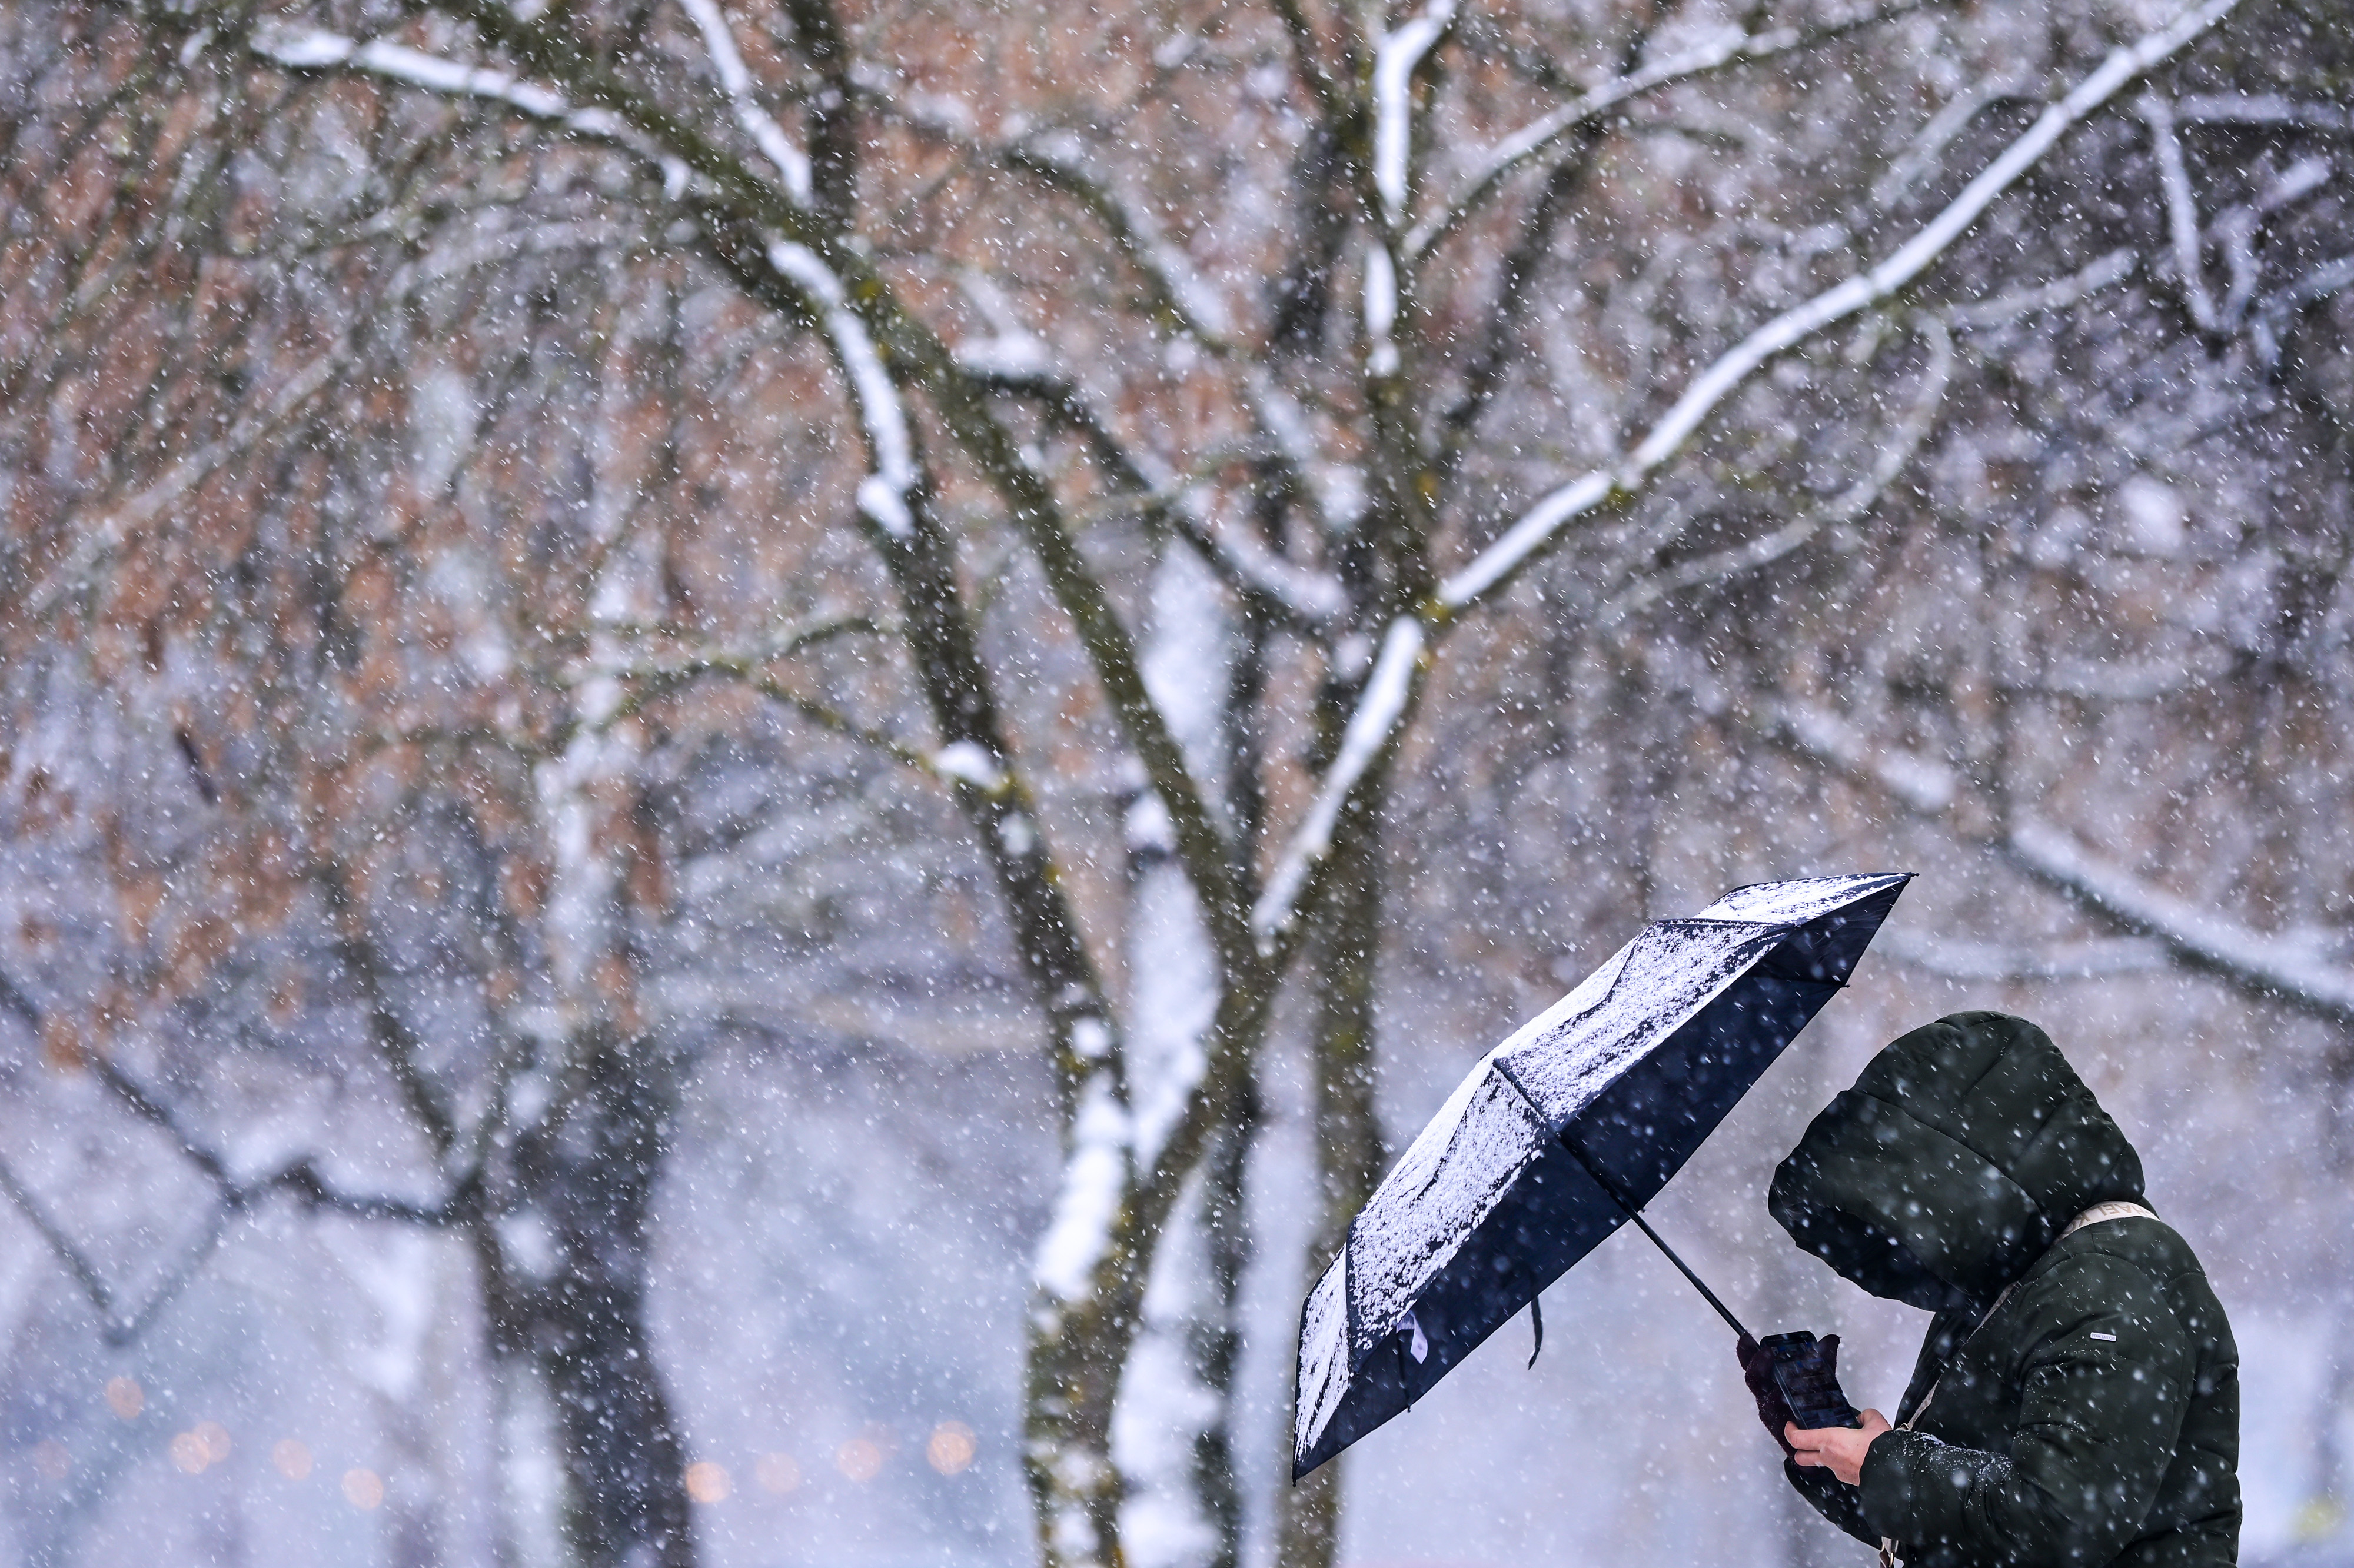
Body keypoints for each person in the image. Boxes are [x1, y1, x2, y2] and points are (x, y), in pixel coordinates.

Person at [1737, 1011, 2240, 1566]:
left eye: (1908, 1198)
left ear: (1970, 1165)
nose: (1907, 1233)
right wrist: (1830, 1449)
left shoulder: (2107, 1285)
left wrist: (1884, 1464)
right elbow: (1965, 1525)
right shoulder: (2020, 1282)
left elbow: (2058, 1519)